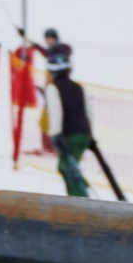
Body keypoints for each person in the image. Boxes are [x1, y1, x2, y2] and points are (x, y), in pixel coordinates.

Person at [49, 59, 96, 196]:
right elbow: (89, 112)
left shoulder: (53, 87)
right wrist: (89, 134)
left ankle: (80, 200)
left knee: (67, 167)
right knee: (69, 166)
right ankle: (80, 193)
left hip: (70, 134)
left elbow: (56, 111)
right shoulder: (78, 87)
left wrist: (56, 134)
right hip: (84, 133)